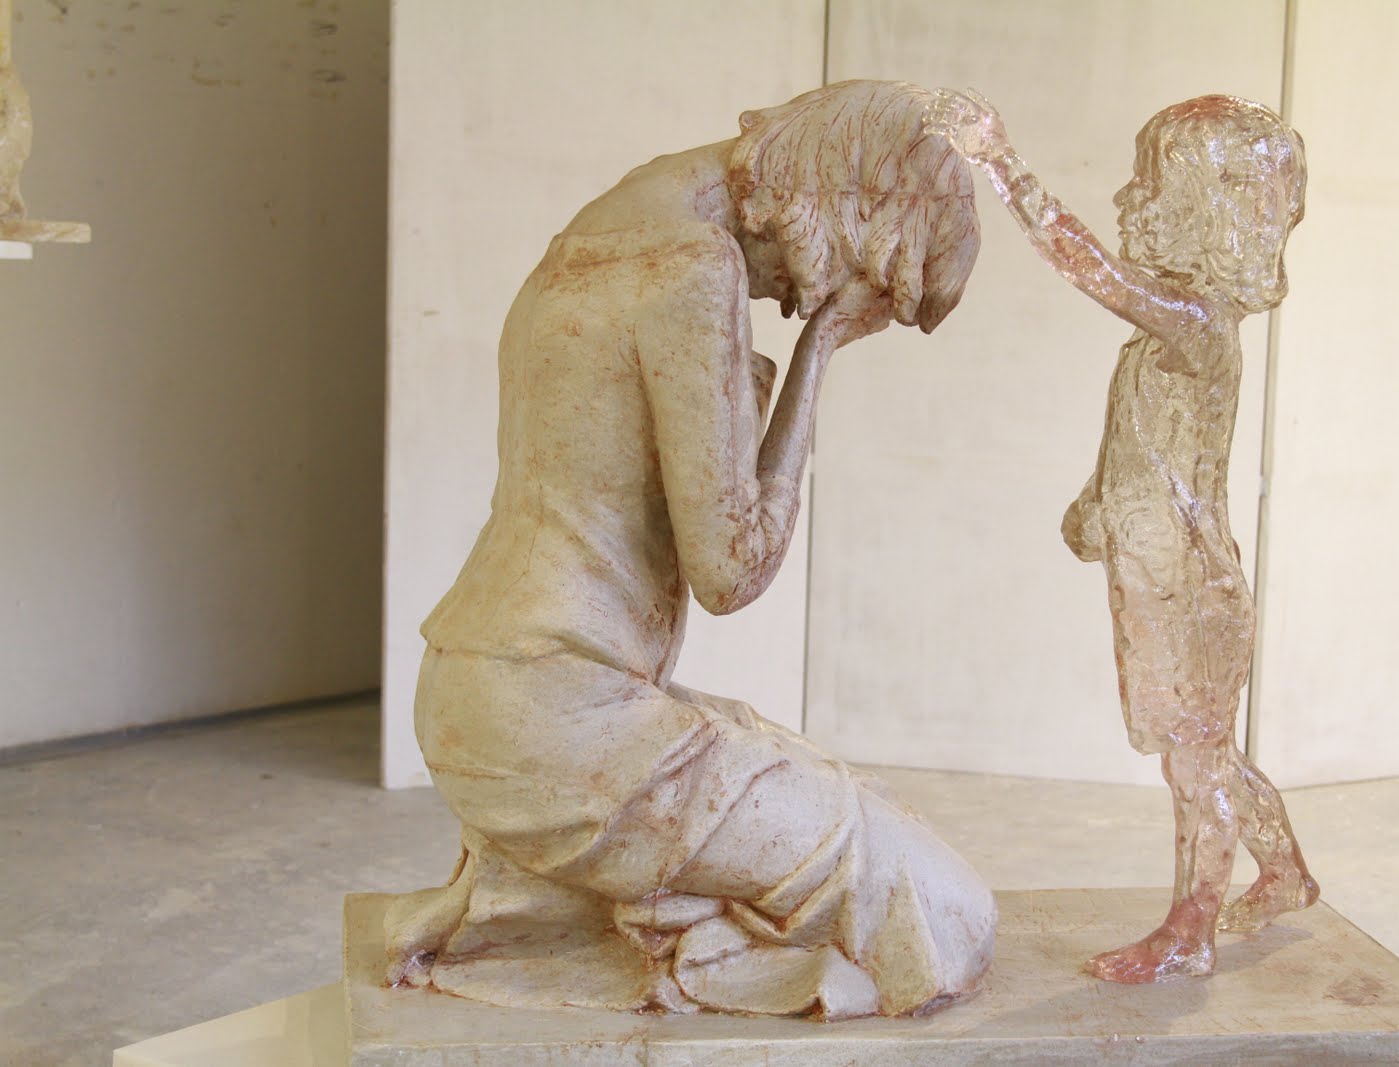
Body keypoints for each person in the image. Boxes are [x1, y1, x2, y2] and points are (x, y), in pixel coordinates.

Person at [383, 81, 995, 1019]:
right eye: (862, 275)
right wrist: (821, 350)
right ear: (845, 207)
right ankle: (701, 946)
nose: (802, 297)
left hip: (501, 689)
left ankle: (639, 917)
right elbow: (733, 571)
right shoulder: (692, 269)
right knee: (940, 903)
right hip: (557, 718)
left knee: (821, 780)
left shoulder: (600, 233)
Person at [927, 90, 1318, 983]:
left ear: (1205, 215)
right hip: (1163, 575)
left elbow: (1088, 265)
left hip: (1189, 591)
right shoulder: (1174, 336)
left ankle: (1190, 927)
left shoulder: (1197, 324)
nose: (1126, 199)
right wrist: (1099, 498)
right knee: (1210, 751)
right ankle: (1287, 874)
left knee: (1196, 763)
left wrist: (1003, 163)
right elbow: (1158, 441)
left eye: (1150, 186)